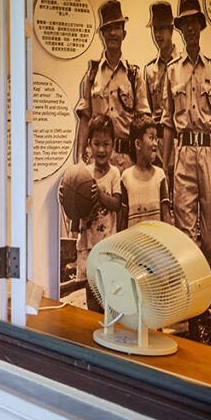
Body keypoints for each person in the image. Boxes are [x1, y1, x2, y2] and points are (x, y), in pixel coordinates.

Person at [162, 0, 211, 272]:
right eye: (185, 23)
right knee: (185, 235)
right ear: (181, 28)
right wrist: (166, 164)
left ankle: (206, 288)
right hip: (183, 154)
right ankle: (192, 299)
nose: (190, 28)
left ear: (200, 27)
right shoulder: (172, 70)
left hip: (208, 152)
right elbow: (167, 121)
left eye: (193, 22)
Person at [75, 0, 151, 171]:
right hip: (97, 158)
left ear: (124, 34)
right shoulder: (91, 76)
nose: (112, 33)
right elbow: (85, 119)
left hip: (127, 160)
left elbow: (143, 123)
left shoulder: (134, 76)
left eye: (116, 28)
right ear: (102, 35)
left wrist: (143, 160)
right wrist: (80, 158)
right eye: (108, 29)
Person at [67, 114, 122, 311]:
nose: (101, 149)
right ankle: (93, 325)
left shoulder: (114, 173)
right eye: (96, 143)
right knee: (90, 288)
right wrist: (68, 198)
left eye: (106, 144)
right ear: (89, 144)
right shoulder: (83, 174)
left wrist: (99, 193)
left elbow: (116, 204)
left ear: (113, 145)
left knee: (107, 288)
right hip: (88, 241)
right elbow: (74, 210)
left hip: (107, 242)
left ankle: (108, 327)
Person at [119, 114, 171, 230]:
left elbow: (166, 215)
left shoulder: (160, 175)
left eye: (156, 138)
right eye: (151, 138)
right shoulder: (126, 177)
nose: (156, 143)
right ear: (138, 144)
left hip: (155, 244)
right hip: (133, 244)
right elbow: (123, 219)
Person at [144, 1, 178, 128]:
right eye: (155, 29)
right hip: (157, 139)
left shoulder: (182, 65)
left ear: (171, 29)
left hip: (178, 138)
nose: (157, 35)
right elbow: (147, 111)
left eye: (162, 28)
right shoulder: (150, 70)